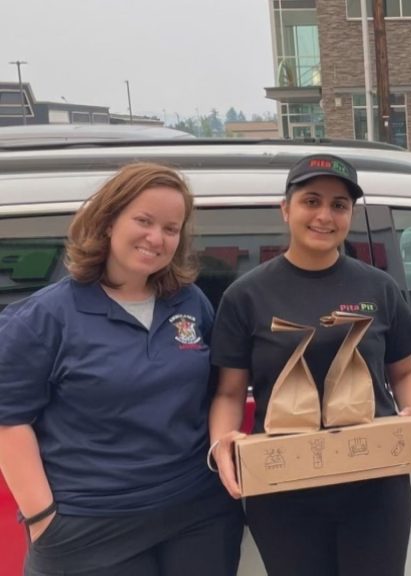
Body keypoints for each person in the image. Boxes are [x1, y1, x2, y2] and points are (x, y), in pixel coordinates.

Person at [0, 163, 244, 576]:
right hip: (93, 525)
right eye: (144, 221)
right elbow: (9, 420)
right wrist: (43, 519)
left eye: (171, 228)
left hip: (198, 515)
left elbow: (219, 388)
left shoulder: (189, 302)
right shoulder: (45, 317)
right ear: (109, 220)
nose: (157, 238)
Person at [208, 154, 411, 576]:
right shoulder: (246, 296)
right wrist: (222, 444)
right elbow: (229, 392)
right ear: (286, 209)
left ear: (350, 214)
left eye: (339, 205)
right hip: (284, 487)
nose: (324, 215)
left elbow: (405, 373)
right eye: (311, 201)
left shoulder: (378, 287)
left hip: (374, 485)